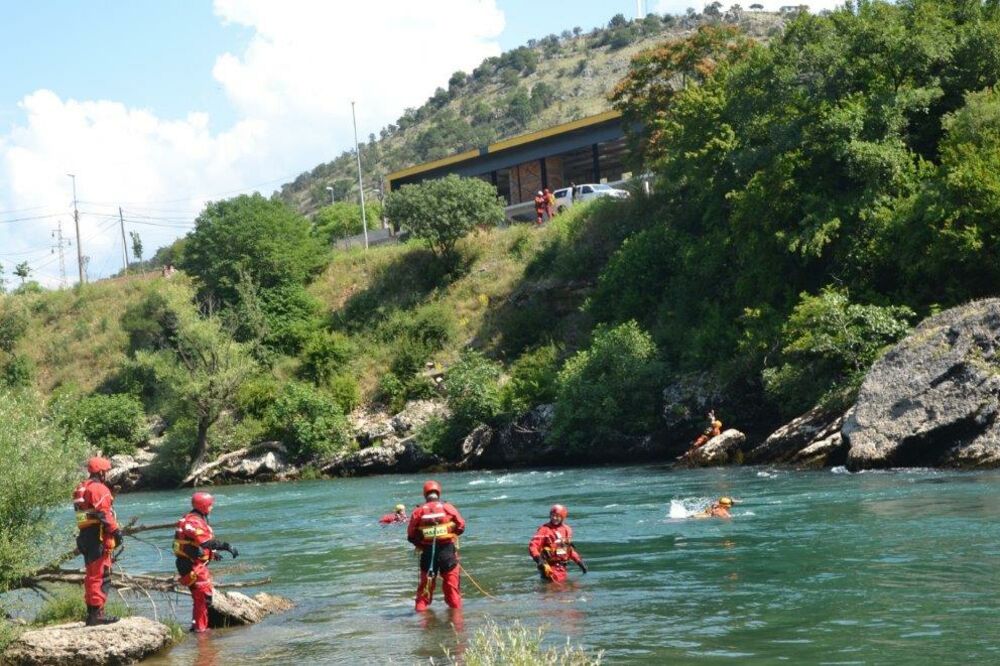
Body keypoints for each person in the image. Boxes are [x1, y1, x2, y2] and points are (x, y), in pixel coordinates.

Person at [173, 492, 239, 633]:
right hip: (191, 565)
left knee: (201, 597)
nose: (212, 508)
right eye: (210, 505)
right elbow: (206, 542)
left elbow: (196, 544)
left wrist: (212, 554)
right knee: (202, 597)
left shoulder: (193, 518)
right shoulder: (194, 522)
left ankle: (197, 627)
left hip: (191, 563)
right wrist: (227, 546)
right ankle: (200, 631)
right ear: (203, 506)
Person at [73, 456, 122, 626]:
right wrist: (116, 532)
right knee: (100, 576)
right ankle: (97, 615)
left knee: (92, 575)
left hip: (85, 536)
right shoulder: (99, 489)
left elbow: (87, 513)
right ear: (101, 472)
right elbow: (103, 514)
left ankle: (92, 613)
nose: (107, 474)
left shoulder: (81, 488)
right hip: (97, 537)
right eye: (106, 471)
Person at [407, 480, 465, 612]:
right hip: (447, 554)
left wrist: (421, 544)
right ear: (438, 493)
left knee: (424, 591)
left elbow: (410, 536)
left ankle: (420, 624)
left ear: (425, 495)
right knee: (452, 591)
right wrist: (452, 534)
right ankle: (457, 625)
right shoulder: (448, 507)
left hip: (428, 554)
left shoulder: (418, 511)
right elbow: (461, 526)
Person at [528, 504, 587, 583]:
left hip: (562, 568)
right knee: (554, 592)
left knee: (569, 591)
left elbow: (568, 549)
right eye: (552, 515)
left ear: (563, 517)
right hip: (549, 569)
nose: (554, 518)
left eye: (557, 516)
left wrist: (579, 562)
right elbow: (533, 546)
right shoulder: (544, 529)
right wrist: (539, 560)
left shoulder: (567, 529)